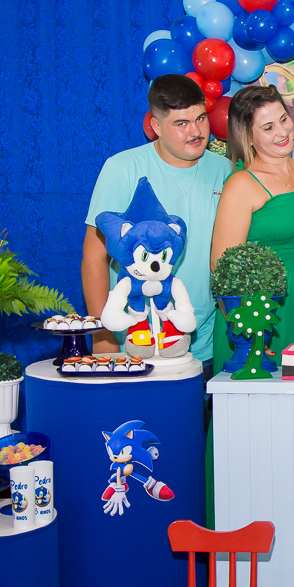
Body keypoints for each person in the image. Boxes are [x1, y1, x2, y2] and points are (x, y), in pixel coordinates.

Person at [82, 74, 231, 383]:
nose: (195, 132)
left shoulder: (224, 169)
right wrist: (103, 336)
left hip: (201, 339)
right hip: (133, 340)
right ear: (156, 126)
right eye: (181, 123)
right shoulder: (122, 168)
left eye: (200, 118)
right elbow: (94, 257)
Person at [209, 85, 294, 371]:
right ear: (248, 137)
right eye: (268, 127)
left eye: (283, 119)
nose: (282, 132)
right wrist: (246, 329)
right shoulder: (241, 184)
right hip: (261, 311)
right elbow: (221, 266)